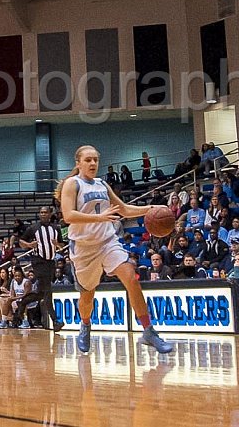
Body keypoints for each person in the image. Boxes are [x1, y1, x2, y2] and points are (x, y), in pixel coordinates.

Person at [57, 145, 174, 354]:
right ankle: (85, 325)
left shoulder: (102, 184)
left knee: (131, 277)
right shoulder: (72, 184)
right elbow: (68, 216)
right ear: (78, 163)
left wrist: (151, 209)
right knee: (87, 296)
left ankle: (148, 330)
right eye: (88, 160)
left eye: (95, 160)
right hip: (83, 248)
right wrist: (99, 217)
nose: (93, 163)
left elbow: (124, 209)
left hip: (107, 241)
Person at [17, 206, 65, 331]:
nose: (43, 214)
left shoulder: (56, 228)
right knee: (48, 290)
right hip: (38, 261)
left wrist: (57, 244)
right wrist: (29, 245)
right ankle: (55, 321)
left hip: (50, 263)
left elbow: (62, 245)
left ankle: (22, 303)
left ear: (50, 214)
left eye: (45, 212)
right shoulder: (33, 228)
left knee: (41, 293)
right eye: (41, 212)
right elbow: (20, 241)